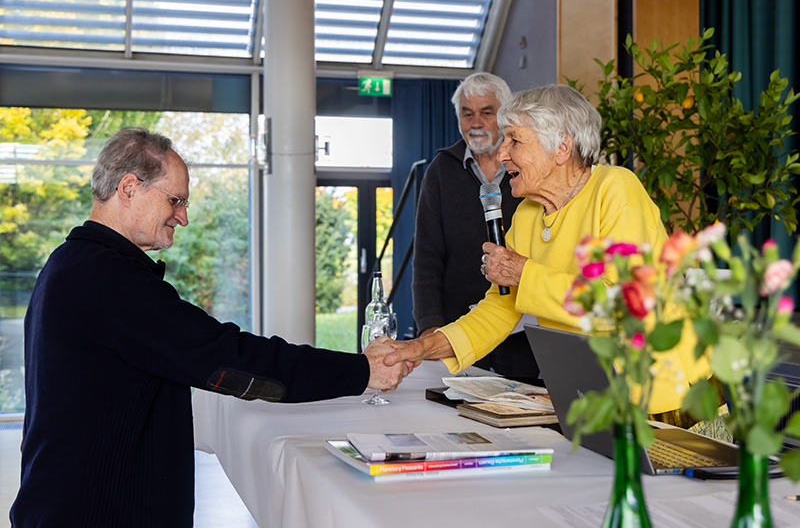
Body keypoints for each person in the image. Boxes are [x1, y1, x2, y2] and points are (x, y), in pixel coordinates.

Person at [10, 127, 409, 527]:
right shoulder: (111, 280)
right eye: (176, 200)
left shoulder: (71, 262)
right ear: (129, 188)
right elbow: (228, 357)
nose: (183, 217)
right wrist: (362, 370)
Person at [389, 84, 712, 422]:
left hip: (666, 399)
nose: (501, 154)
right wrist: (420, 347)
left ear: (561, 147)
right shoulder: (528, 214)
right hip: (592, 396)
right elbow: (499, 310)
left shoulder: (616, 188)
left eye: (515, 140)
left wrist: (523, 273)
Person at [412, 72, 538, 382]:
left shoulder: (528, 171)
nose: (476, 123)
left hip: (523, 329)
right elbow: (427, 257)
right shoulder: (441, 171)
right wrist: (430, 325)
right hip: (460, 328)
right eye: (467, 114)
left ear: (505, 115)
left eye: (486, 112)